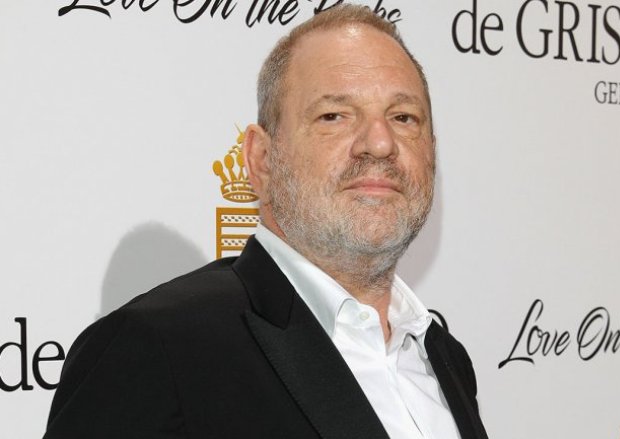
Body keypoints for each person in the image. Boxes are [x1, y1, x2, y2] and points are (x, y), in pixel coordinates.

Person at [44, 4, 488, 439]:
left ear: (431, 151)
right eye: (334, 116)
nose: (379, 143)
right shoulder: (158, 349)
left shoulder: (444, 358)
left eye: (403, 117)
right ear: (262, 159)